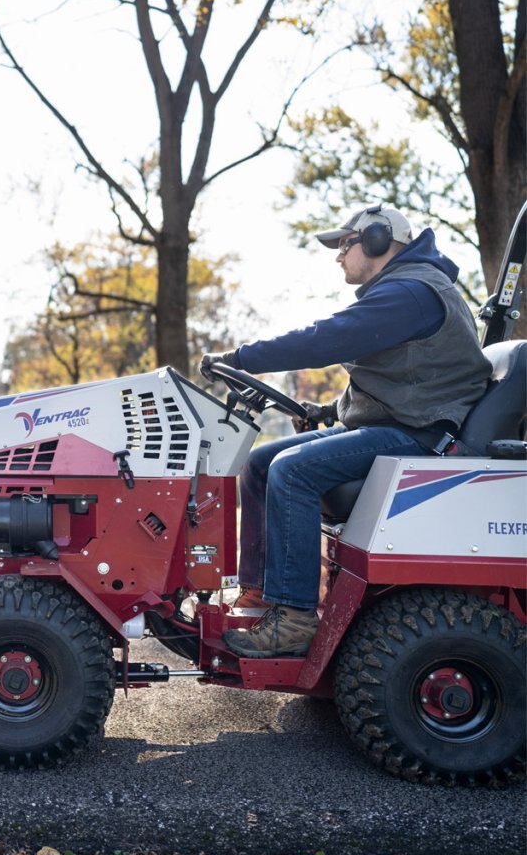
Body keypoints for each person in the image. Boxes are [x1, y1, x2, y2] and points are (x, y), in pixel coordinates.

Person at [200, 203, 492, 658]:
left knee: (292, 471)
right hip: (402, 423)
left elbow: (326, 338)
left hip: (420, 438)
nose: (338, 256)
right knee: (259, 463)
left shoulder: (410, 292)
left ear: (377, 239)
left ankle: (295, 618)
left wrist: (242, 357)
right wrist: (328, 410)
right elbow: (406, 380)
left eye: (344, 244)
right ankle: (259, 594)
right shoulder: (405, 290)